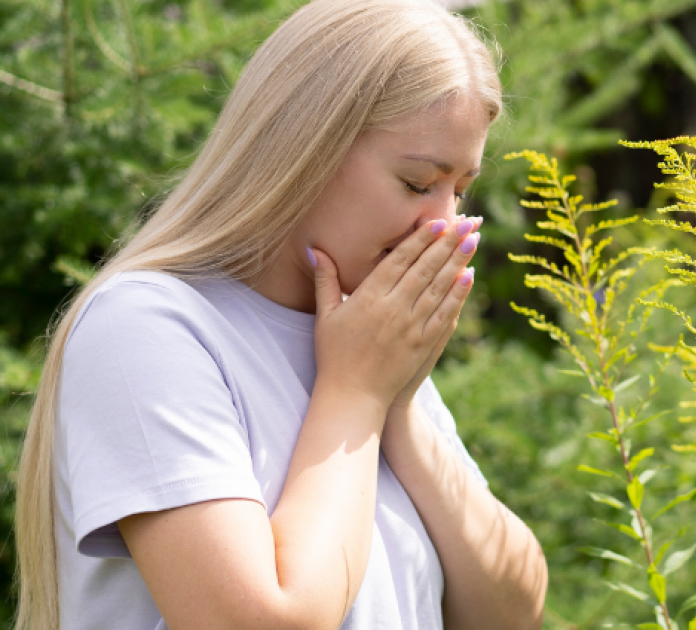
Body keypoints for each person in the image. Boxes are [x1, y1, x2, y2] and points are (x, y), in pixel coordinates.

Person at [14, 0, 548, 628]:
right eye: (416, 182)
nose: (442, 225)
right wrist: (354, 394)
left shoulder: (367, 340)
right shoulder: (146, 329)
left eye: (458, 191)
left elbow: (512, 609)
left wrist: (395, 408)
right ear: (305, 146)